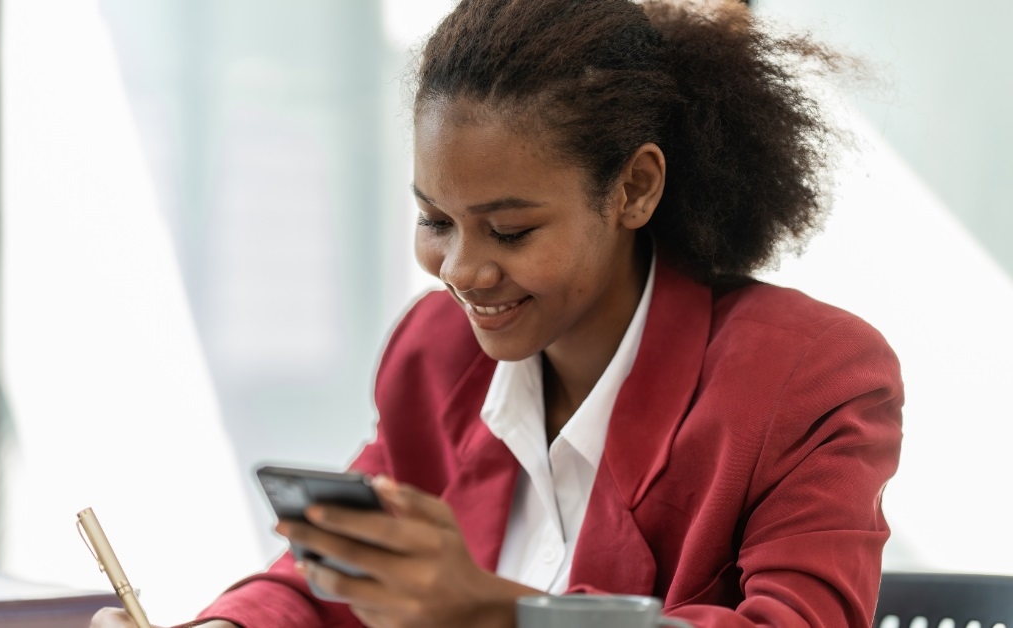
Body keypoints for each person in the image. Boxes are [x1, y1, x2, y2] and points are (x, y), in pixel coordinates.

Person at [93, 0, 902, 626]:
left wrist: (492, 612)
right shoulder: (438, 353)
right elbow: (332, 585)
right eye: (435, 221)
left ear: (634, 189)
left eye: (510, 230)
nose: (462, 270)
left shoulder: (807, 378)